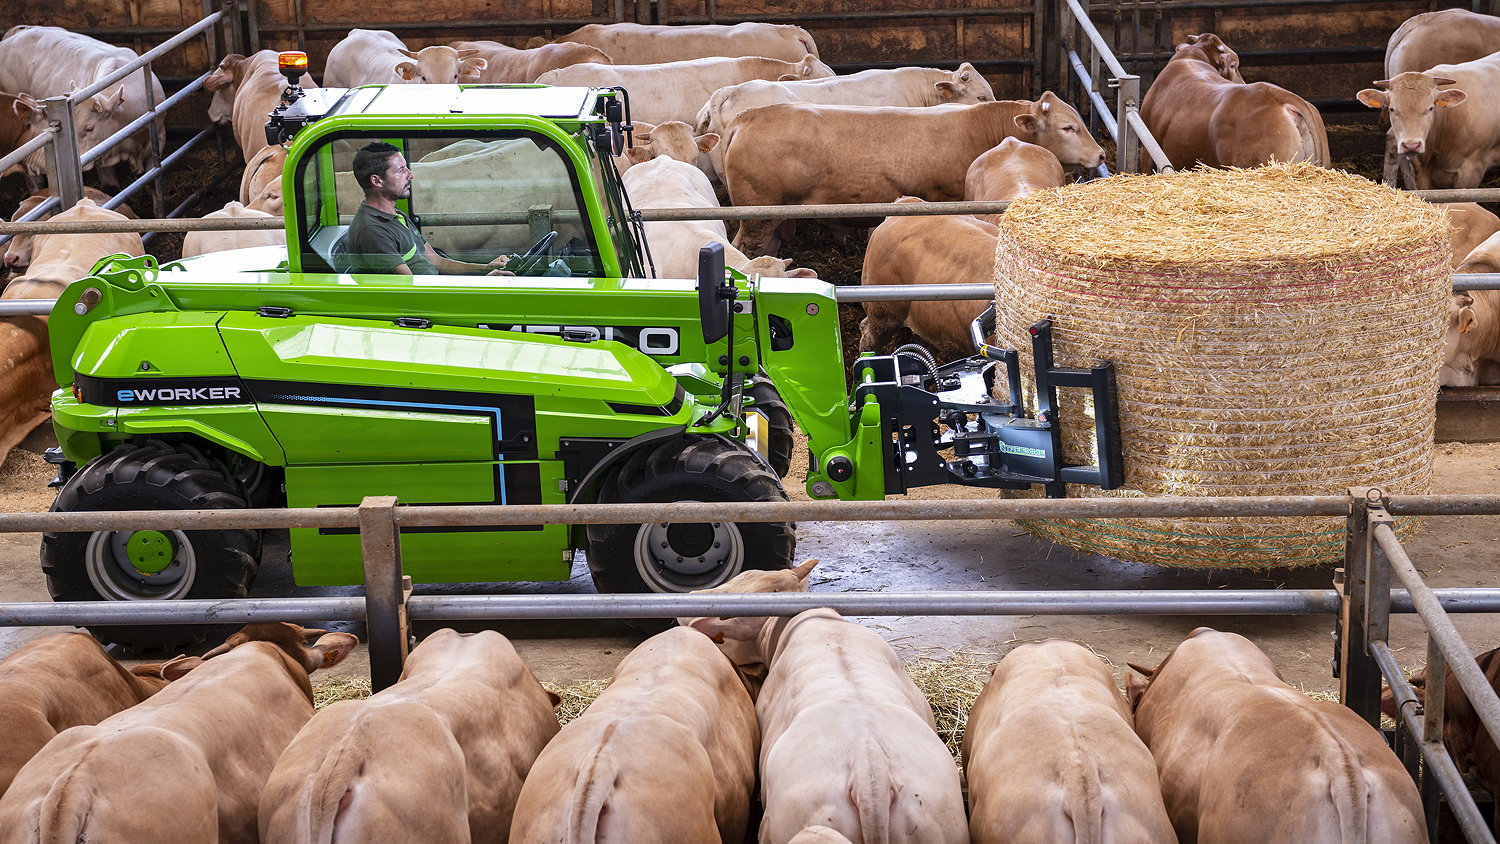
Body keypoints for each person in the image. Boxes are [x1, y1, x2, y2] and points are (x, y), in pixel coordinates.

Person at [340, 141, 510, 275]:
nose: (410, 175)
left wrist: (486, 268)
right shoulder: (372, 230)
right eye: (400, 171)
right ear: (377, 181)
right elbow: (410, 289)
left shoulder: (395, 215)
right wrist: (479, 285)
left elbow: (437, 262)